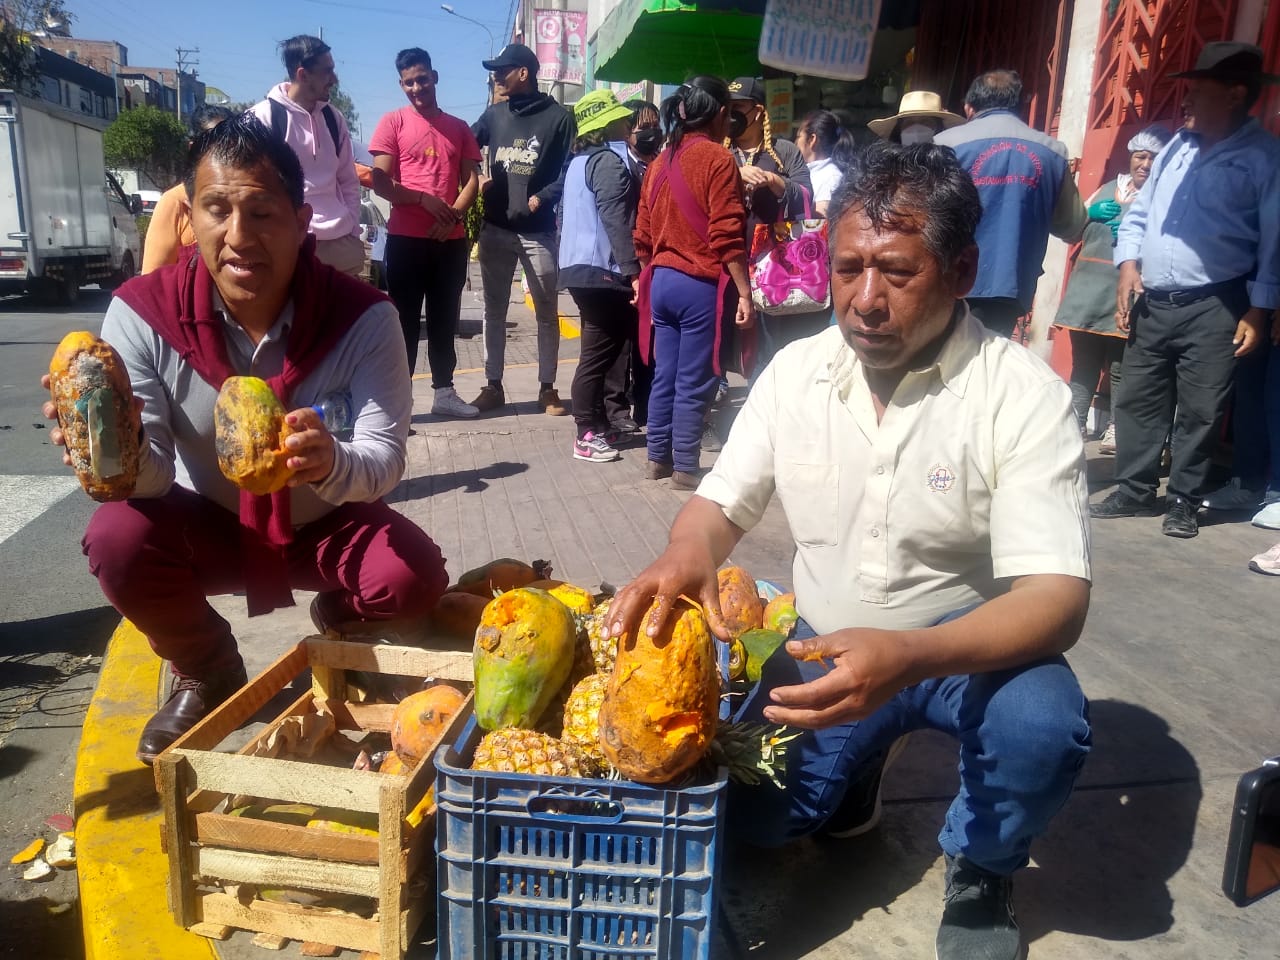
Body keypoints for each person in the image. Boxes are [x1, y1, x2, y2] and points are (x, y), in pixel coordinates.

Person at [609, 142, 1091, 960]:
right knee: (760, 820)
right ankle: (857, 773)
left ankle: (982, 863)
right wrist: (684, 551)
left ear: (962, 269)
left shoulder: (1021, 395)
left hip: (969, 648)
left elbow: (1056, 600)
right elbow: (719, 503)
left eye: (897, 272)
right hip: (828, 645)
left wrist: (909, 656)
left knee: (1041, 725)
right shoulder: (796, 373)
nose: (864, 300)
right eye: (846, 269)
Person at [42, 115, 449, 763]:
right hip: (202, 520)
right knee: (116, 537)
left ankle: (343, 633)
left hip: (321, 522)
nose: (239, 236)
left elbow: (384, 458)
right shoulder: (141, 313)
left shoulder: (365, 318)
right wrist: (110, 455)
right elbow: (148, 473)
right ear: (188, 217)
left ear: (300, 217)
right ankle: (206, 667)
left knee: (412, 575)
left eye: (262, 212)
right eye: (217, 210)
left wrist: (331, 459)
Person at [1092, 42, 1280, 540]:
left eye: (1199, 91)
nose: (1187, 100)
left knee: (1201, 408)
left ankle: (1183, 500)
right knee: (1138, 397)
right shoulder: (1176, 147)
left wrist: (1260, 310)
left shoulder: (1264, 159)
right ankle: (1133, 490)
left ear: (1236, 95)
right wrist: (1128, 265)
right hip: (1154, 299)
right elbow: (1140, 213)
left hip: (1218, 304)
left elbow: (1275, 240)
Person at [633, 76, 754, 489]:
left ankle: (657, 458)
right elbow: (727, 233)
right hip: (698, 284)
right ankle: (686, 466)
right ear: (720, 114)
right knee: (695, 377)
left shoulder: (659, 162)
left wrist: (646, 275)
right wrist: (745, 291)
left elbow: (643, 232)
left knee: (665, 374)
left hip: (661, 281)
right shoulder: (718, 159)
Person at [369, 47, 481, 420]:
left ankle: (444, 393)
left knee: (444, 317)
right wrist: (422, 199)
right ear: (401, 85)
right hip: (405, 240)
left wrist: (451, 217)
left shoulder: (459, 128)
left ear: (435, 77)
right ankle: (398, 404)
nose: (417, 87)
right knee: (402, 322)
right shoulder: (393, 123)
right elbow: (381, 183)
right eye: (409, 82)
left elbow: (472, 182)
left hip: (449, 242)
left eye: (422, 79)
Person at [934, 69, 1088, 337]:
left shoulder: (944, 145)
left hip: (950, 279)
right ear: (1020, 106)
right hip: (1013, 284)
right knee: (992, 365)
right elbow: (1072, 226)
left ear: (969, 107)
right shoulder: (1053, 152)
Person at [470, 43, 576, 416]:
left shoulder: (560, 118)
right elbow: (464, 146)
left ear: (524, 73)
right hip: (495, 228)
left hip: (539, 232)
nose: (497, 76)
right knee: (493, 310)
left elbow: (569, 169)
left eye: (503, 69)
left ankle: (547, 389)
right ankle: (492, 385)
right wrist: (475, 175)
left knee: (547, 312)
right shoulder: (494, 115)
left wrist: (542, 198)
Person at [1053, 125, 1172, 449]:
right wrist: (1089, 215)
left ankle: (1119, 428)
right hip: (1088, 291)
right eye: (1140, 156)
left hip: (1127, 295)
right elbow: (1070, 233)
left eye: (1153, 158)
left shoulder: (1163, 199)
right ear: (1131, 158)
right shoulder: (1106, 189)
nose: (1145, 164)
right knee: (1084, 365)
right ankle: (1074, 423)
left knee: (1122, 368)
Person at [557, 90, 642, 463]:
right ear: (606, 123)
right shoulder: (607, 162)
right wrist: (633, 271)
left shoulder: (578, 162)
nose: (629, 123)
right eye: (622, 118)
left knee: (603, 351)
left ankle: (601, 426)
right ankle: (585, 432)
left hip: (578, 268)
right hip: (601, 271)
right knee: (596, 354)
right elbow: (615, 222)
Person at [250, 36, 364, 277]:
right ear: (302, 75)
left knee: (342, 315)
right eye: (327, 71)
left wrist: (352, 226)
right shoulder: (263, 118)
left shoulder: (334, 119)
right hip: (291, 243)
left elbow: (348, 179)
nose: (335, 79)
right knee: (293, 314)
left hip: (339, 244)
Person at [140, 105, 234, 274]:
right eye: (213, 142)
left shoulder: (244, 198)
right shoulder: (174, 202)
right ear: (193, 148)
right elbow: (153, 278)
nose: (223, 151)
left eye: (229, 141)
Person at [794, 109, 857, 216]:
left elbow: (821, 222)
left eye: (798, 136)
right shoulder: (808, 172)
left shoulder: (830, 177)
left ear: (812, 140)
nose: (795, 142)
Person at [867, 89, 963, 146]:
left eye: (925, 122)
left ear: (939, 128)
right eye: (909, 123)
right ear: (898, 130)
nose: (916, 129)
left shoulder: (952, 167)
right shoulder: (886, 168)